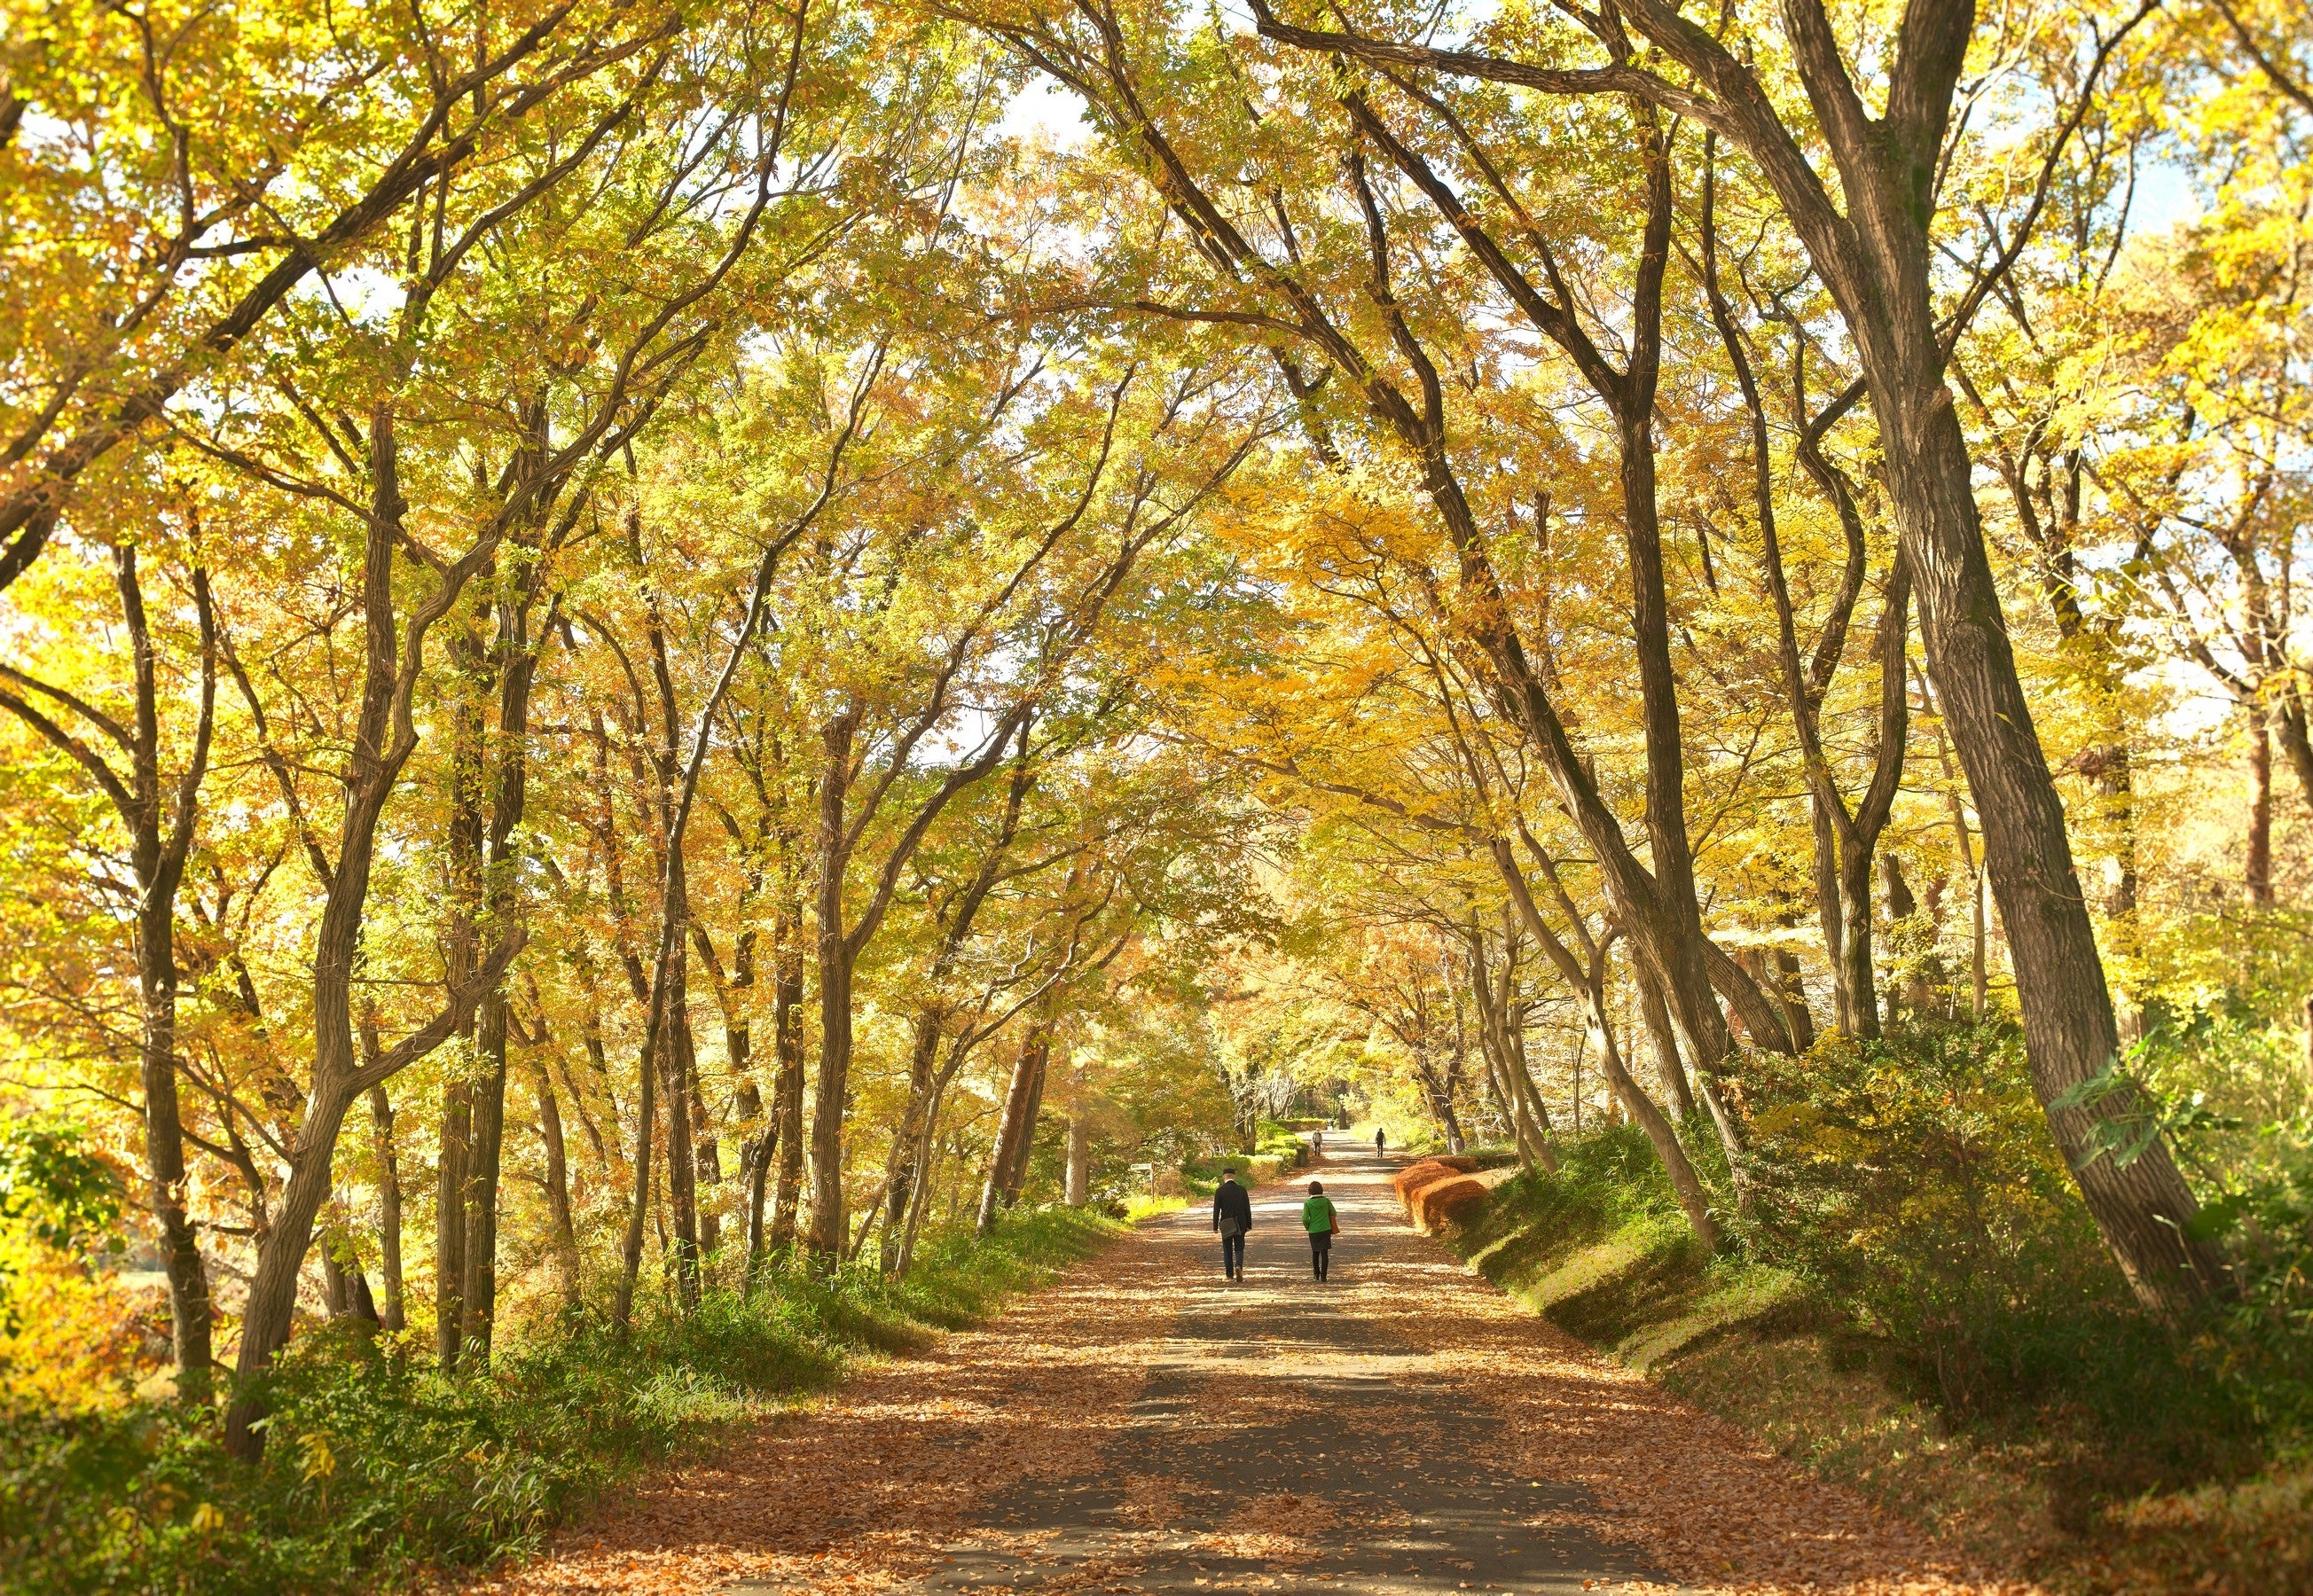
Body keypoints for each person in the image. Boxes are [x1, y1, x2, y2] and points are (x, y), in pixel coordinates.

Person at [1212, 1168, 1252, 1280]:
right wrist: (1249, 1225)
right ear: (1234, 1177)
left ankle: (1229, 1275)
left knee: (1227, 1249)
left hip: (1226, 1224)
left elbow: (1216, 1210)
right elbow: (1247, 1209)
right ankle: (1238, 1266)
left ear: (1224, 1177)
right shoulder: (1242, 1190)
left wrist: (1215, 1226)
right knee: (1239, 1247)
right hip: (1241, 1223)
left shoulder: (1220, 1191)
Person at [1301, 1181, 1337, 1281]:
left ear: (1310, 1191)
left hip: (1313, 1231)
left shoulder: (1307, 1203)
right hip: (1325, 1229)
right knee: (1324, 1253)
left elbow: (1305, 1218)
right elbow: (1334, 1213)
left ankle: (1316, 1274)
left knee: (1315, 1252)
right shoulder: (1326, 1201)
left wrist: (1308, 1227)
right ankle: (1324, 1276)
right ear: (1321, 1190)